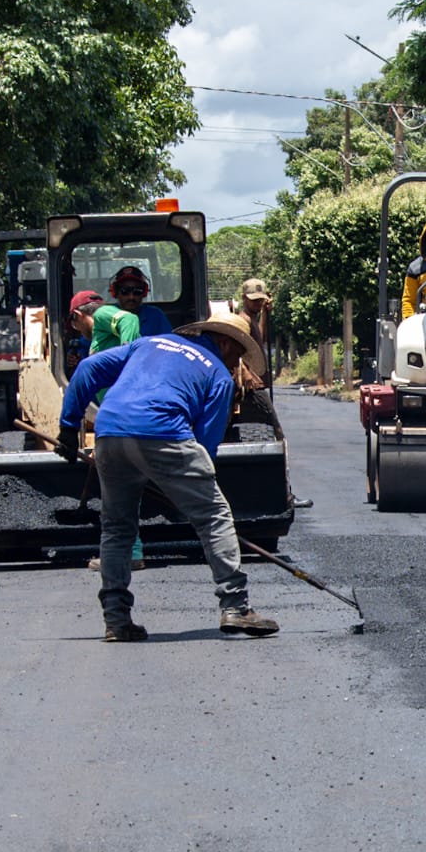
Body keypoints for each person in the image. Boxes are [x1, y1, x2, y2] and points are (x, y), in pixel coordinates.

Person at [56, 311, 280, 642]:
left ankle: (117, 620)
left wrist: (68, 427)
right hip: (164, 433)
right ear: (222, 342)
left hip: (110, 431)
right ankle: (235, 606)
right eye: (237, 353)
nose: (237, 363)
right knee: (214, 517)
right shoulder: (218, 374)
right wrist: (188, 491)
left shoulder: (147, 344)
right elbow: (206, 445)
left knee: (118, 528)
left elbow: (88, 369)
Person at [69, 289, 146, 570]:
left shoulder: (101, 314)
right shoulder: (101, 334)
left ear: (78, 315)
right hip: (117, 413)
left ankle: (126, 554)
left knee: (118, 483)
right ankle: (131, 551)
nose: (76, 331)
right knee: (123, 482)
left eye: (74, 325)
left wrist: (130, 358)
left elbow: (129, 321)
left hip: (123, 414)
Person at [109, 265, 172, 337]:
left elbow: (169, 342)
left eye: (137, 291)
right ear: (115, 292)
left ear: (144, 292)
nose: (131, 297)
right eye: (125, 291)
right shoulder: (105, 317)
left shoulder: (156, 316)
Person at [238, 278, 270, 348]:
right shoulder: (244, 320)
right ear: (244, 297)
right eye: (255, 300)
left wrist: (264, 312)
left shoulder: (252, 319)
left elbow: (260, 342)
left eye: (261, 299)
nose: (259, 302)